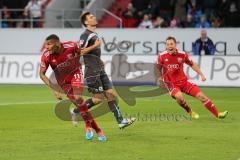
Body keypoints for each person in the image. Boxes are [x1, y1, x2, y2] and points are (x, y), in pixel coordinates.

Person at [72, 12, 136, 129]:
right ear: (86, 22)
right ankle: (76, 111)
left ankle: (121, 121)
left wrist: (98, 60)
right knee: (98, 99)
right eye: (91, 17)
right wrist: (94, 46)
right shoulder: (85, 35)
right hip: (92, 71)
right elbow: (80, 52)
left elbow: (91, 53)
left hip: (99, 69)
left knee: (111, 94)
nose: (94, 17)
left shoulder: (94, 34)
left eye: (93, 16)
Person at [39, 34, 106, 142]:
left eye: (49, 44)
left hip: (75, 73)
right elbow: (41, 74)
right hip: (63, 83)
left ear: (57, 43)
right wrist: (54, 89)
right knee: (80, 106)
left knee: (78, 97)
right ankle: (98, 130)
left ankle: (88, 127)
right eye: (45, 45)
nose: (46, 47)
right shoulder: (46, 55)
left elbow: (82, 53)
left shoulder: (71, 46)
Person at [156, 36, 228, 119]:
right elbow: (158, 68)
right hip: (171, 84)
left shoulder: (182, 54)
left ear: (175, 45)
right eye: (168, 44)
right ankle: (190, 111)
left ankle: (217, 114)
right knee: (179, 97)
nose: (169, 46)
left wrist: (201, 74)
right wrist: (160, 78)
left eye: (171, 44)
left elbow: (192, 64)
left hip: (184, 82)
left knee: (202, 97)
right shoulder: (162, 56)